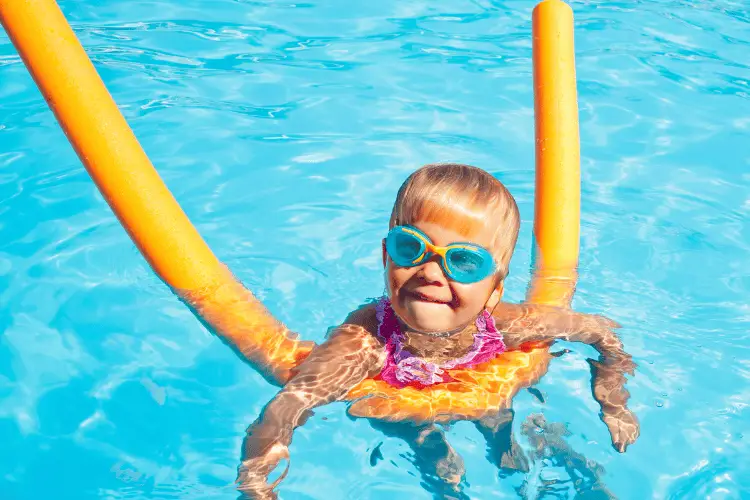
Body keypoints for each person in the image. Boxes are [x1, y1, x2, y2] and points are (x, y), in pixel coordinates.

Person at [233, 163, 639, 499]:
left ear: (494, 291)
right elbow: (285, 408)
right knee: (428, 454)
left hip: (482, 389)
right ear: (385, 255)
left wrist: (613, 399)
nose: (429, 272)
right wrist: (257, 482)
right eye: (411, 248)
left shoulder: (505, 325)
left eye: (462, 262)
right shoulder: (365, 341)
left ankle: (507, 456)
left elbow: (599, 332)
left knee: (506, 434)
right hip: (400, 407)